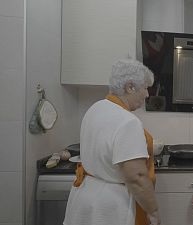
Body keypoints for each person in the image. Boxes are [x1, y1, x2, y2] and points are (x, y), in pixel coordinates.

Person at [64, 57, 161, 225]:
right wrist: (153, 211)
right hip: (112, 207)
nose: (147, 94)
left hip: (86, 198)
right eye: (145, 88)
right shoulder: (127, 121)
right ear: (130, 87)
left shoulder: (96, 109)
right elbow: (136, 177)